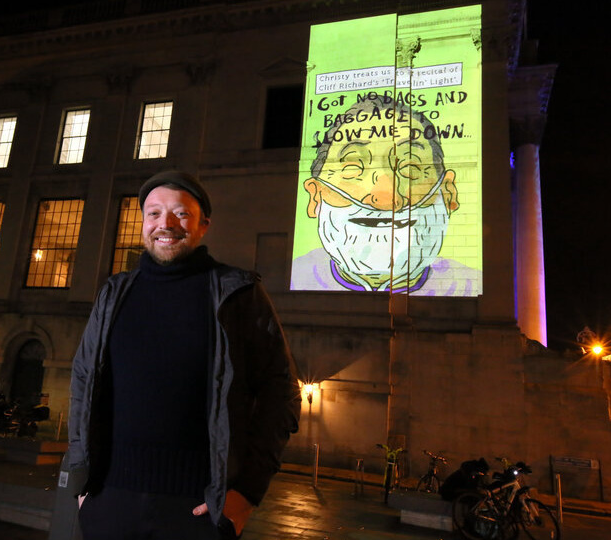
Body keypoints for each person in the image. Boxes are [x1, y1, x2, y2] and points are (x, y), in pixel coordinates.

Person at [68, 170, 301, 539]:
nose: (166, 224)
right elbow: (83, 383)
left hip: (197, 512)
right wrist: (82, 484)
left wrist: (246, 493)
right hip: (109, 504)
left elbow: (281, 392)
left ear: (203, 225)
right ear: (143, 223)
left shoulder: (238, 294)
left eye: (181, 213)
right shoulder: (113, 293)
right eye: (154, 213)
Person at [291, 95, 480, 296]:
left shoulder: (470, 286)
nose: (385, 198)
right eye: (352, 168)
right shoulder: (296, 279)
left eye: (410, 167)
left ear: (448, 193)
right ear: (316, 196)